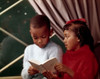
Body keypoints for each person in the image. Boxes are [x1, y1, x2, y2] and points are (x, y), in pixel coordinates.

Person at [21, 15, 63, 79]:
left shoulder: (55, 49)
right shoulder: (28, 50)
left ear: (50, 32)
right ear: (30, 33)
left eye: (43, 37)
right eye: (35, 38)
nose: (40, 41)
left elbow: (56, 73)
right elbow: (24, 75)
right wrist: (29, 72)